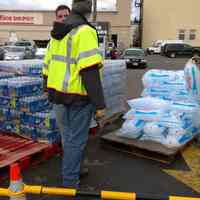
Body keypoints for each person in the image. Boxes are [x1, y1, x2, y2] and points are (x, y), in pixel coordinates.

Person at [43, 0, 106, 188]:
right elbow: (89, 69)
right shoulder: (85, 31)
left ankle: (74, 170)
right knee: (76, 141)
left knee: (68, 138)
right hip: (78, 97)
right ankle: (70, 183)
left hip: (58, 95)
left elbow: (47, 65)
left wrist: (47, 88)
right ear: (88, 10)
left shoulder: (56, 34)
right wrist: (99, 104)